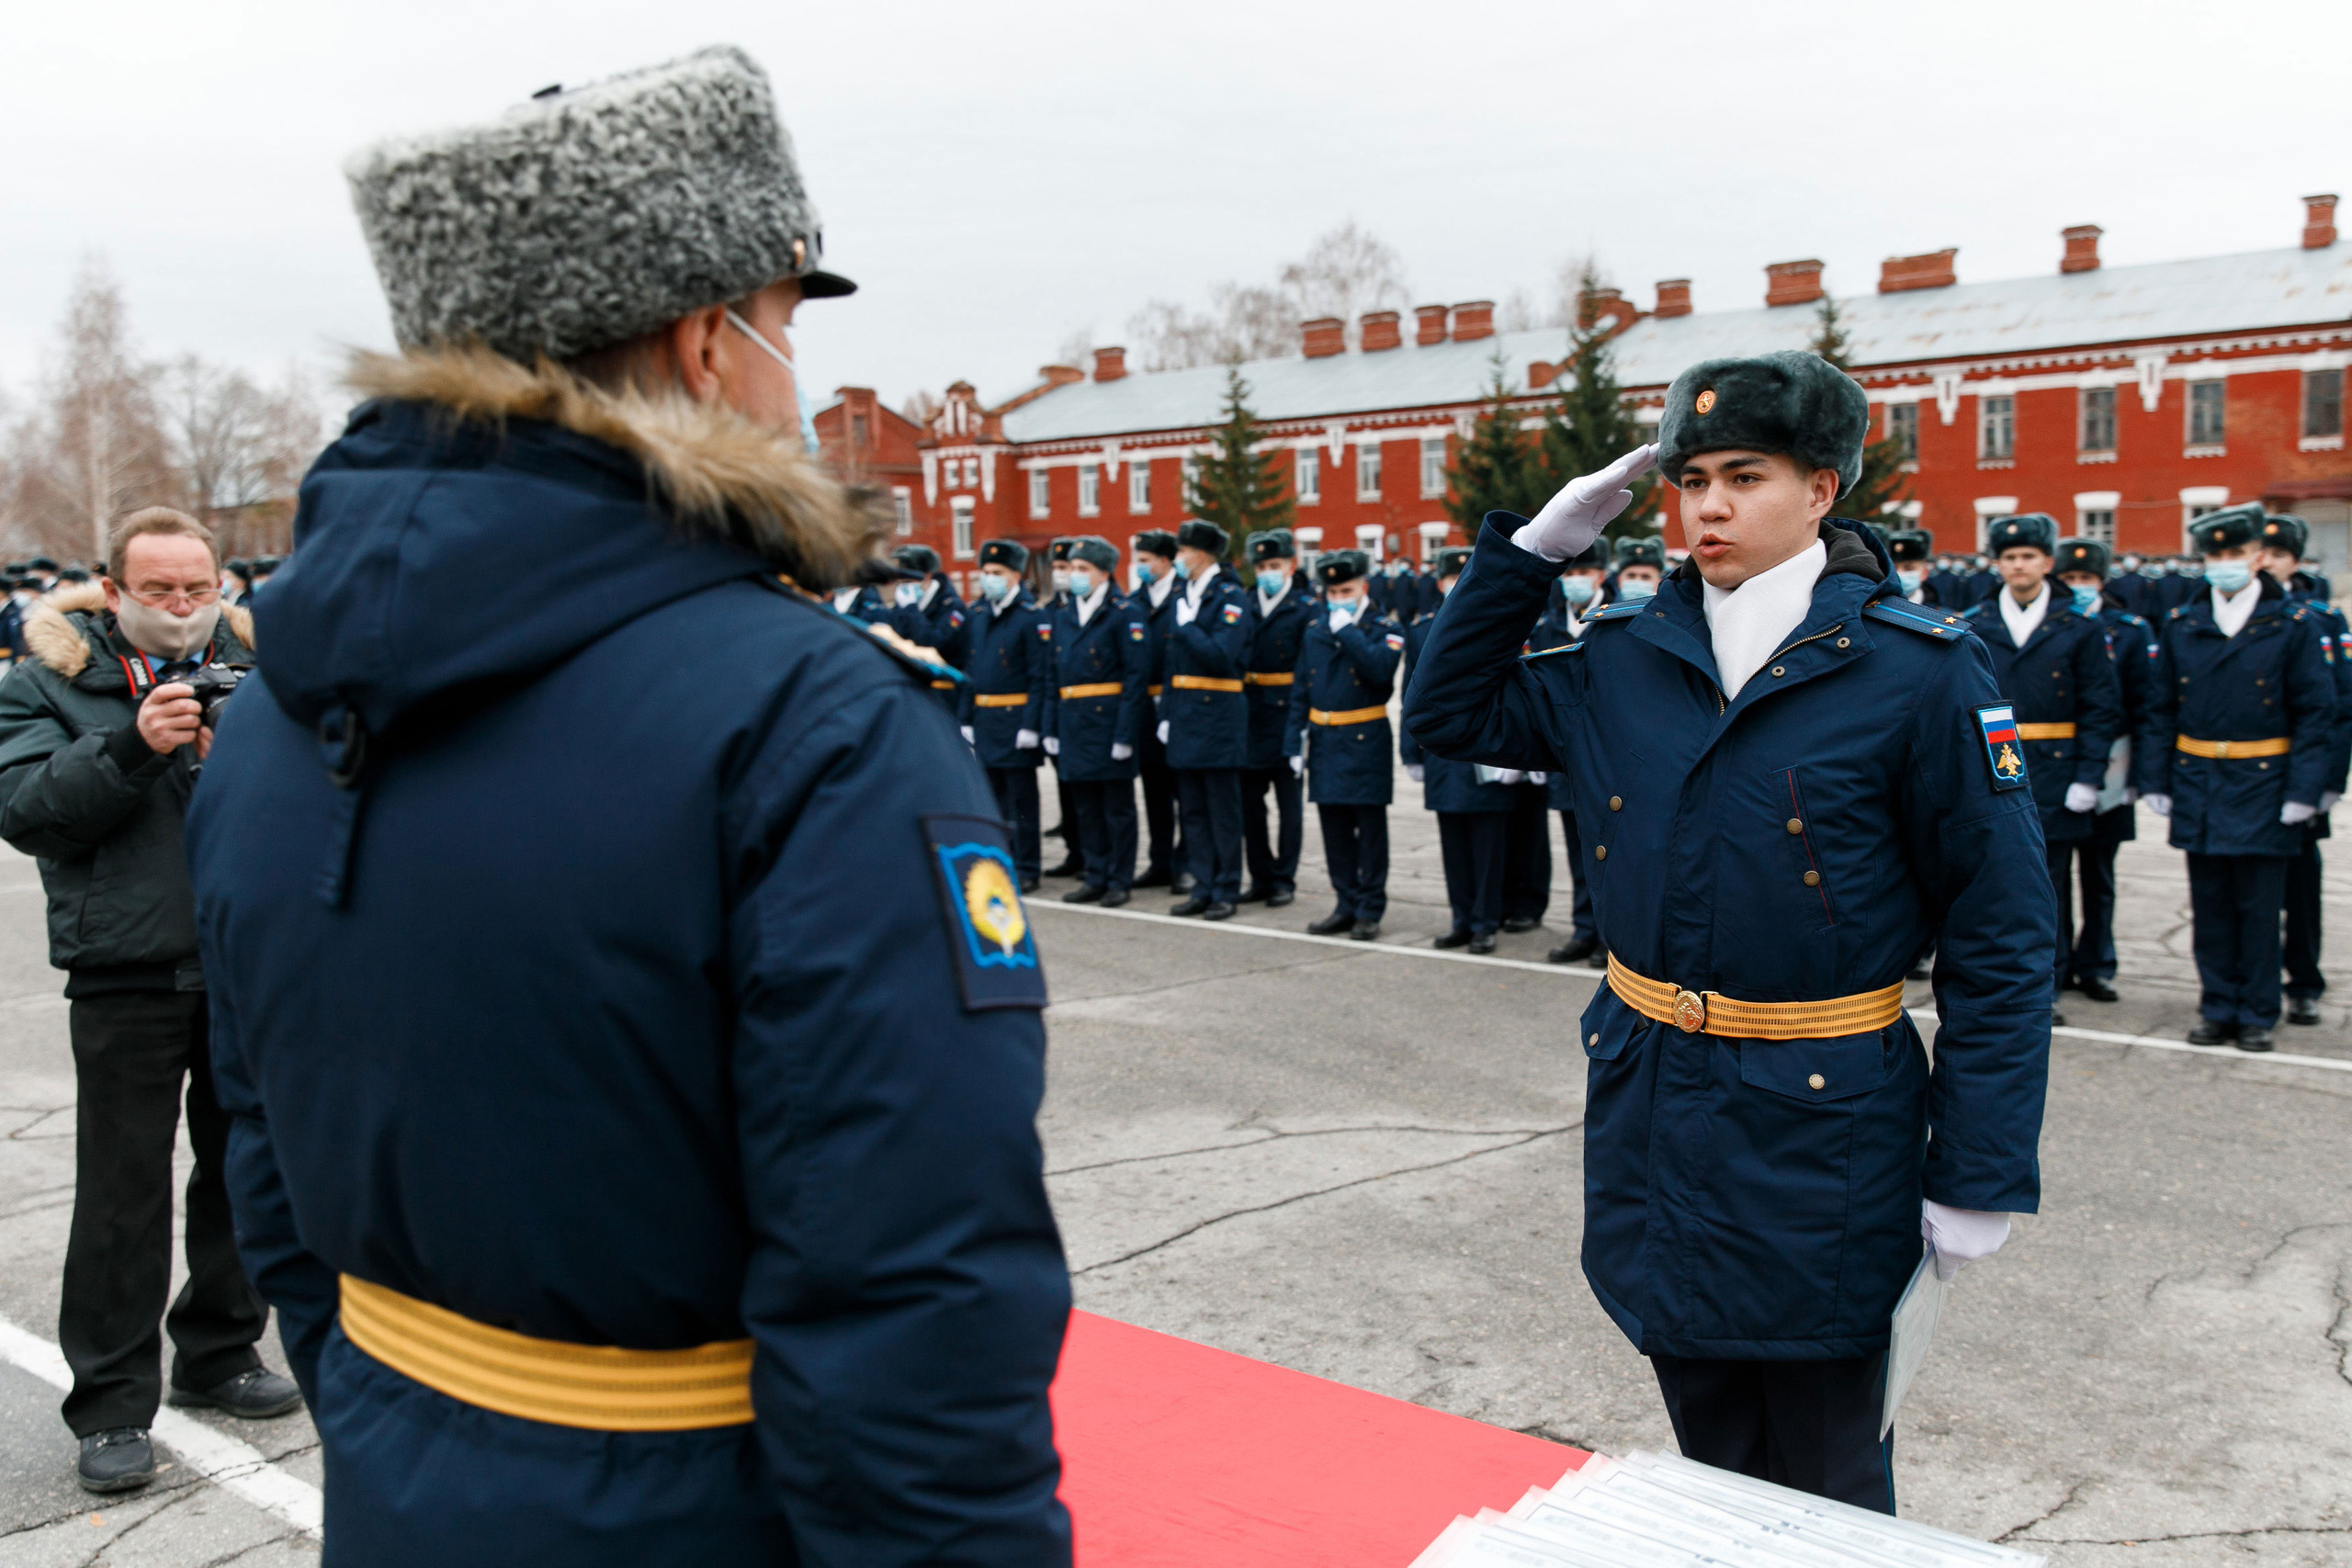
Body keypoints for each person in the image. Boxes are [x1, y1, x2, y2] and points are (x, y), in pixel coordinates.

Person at [185, 51, 1070, 1564]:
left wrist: (405, 1421)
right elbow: (913, 1283)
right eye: (786, 321)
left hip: (403, 1490)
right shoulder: (814, 717)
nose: (794, 372)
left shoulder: (273, 708)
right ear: (705, 343)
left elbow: (266, 1154)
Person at [1405, 349, 2050, 1513]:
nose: (1707, 505)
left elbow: (2000, 941)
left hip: (1826, 1129)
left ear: (1820, 488)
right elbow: (1447, 715)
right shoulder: (1625, 661)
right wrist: (1527, 555)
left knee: (1829, 1481)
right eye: (1687, 477)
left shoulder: (1918, 675)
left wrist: (1979, 1171)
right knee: (1706, 1465)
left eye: (1743, 475)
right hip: (1657, 1104)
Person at [0, 508, 298, 1495]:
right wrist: (131, 745)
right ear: (113, 588)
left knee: (242, 1177)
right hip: (126, 966)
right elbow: (26, 812)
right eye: (159, 590)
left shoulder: (267, 668)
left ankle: (220, 1353)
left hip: (249, 965)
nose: (180, 608)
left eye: (197, 589)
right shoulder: (46, 678)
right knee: (123, 1196)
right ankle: (113, 1404)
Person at [2138, 502, 2337, 1052]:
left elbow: (2316, 712)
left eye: (2236, 553)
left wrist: (2305, 791)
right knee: (2211, 905)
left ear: (2257, 557)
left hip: (2265, 781)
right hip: (2199, 777)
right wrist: (2156, 780)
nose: (2225, 563)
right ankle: (2217, 1005)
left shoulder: (2294, 624)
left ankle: (2257, 1011)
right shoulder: (2184, 623)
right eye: (2215, 554)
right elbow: (2160, 708)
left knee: (2258, 906)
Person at [1961, 513, 2121, 1026]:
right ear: (1997, 564)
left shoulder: (2079, 627)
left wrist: (2089, 776)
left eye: (2028, 557)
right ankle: (2008, 978)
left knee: (2050, 884)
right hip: (1996, 764)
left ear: (2047, 563)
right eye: (2009, 558)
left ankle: (2048, 983)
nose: (2018, 566)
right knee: (1998, 880)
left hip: (2057, 769)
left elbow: (2100, 708)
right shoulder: (1976, 622)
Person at [1402, 546, 1523, 954]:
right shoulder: (1422, 630)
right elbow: (1411, 695)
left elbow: (1516, 691)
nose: (1455, 587)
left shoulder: (1500, 623)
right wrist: (1409, 751)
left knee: (1488, 845)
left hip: (1487, 749)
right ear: (1438, 583)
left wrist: (1516, 754)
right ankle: (1461, 919)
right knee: (1453, 842)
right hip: (1441, 753)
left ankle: (1486, 921)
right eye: (1450, 580)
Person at [2256, 513, 2351, 1026]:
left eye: (2277, 555)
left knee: (2301, 886)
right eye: (2262, 553)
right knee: (2253, 891)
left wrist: (2330, 781)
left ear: (2295, 560)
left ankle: (2304, 981)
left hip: (2303, 771)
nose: (2267, 562)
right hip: (2253, 775)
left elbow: (2338, 706)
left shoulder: (2320, 618)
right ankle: (2259, 980)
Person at [2053, 537, 2154, 1005]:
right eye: (2070, 579)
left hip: (2112, 763)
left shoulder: (2130, 630)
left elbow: (2145, 703)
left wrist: (2137, 776)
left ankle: (2096, 963)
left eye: (2086, 579)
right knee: (2053, 876)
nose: (2077, 587)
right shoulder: (2055, 623)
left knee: (2099, 874)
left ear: (2102, 581)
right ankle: (2057, 965)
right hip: (2055, 761)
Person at [1286, 549, 1404, 941]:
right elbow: (1302, 689)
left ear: (1363, 588)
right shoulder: (1315, 627)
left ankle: (1370, 908)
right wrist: (1293, 742)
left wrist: (1347, 631)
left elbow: (1381, 673)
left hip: (1364, 740)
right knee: (1334, 831)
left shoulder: (1383, 627)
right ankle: (1344, 903)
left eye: (1347, 590)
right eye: (1333, 591)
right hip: (1324, 740)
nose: (1339, 597)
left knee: (1369, 833)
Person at [1159, 520, 1256, 918]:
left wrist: (1187, 627)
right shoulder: (1183, 593)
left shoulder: (1231, 597)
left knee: (1222, 811)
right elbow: (1171, 664)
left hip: (1218, 716)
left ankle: (1226, 889)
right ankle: (1202, 885)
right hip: (1184, 714)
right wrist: (1165, 713)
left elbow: (1220, 655)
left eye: (1182, 552)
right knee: (1193, 811)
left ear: (1201, 554)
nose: (1179, 559)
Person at [1047, 536, 1149, 906]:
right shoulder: (1064, 614)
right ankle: (1095, 873)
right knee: (1086, 806)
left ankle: (1119, 879)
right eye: (1072, 568)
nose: (1074, 575)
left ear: (1104, 572)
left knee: (1116, 808)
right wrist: (1051, 728)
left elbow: (1135, 678)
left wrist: (1125, 733)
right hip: (1074, 721)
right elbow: (1052, 677)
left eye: (1082, 569)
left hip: (1109, 724)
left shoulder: (1124, 613)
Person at [1531, 539, 1608, 966]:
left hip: (1608, 755)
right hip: (1564, 757)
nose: (1574, 581)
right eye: (1569, 574)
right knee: (1576, 850)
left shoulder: (1618, 619)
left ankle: (1609, 937)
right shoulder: (1548, 625)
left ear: (1600, 575)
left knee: (1610, 852)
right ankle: (1583, 929)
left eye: (1583, 573)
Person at [964, 538, 1055, 890]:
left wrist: (1032, 724)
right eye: (985, 572)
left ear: (1016, 575)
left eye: (997, 573)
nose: (989, 579)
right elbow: (971, 672)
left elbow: (1039, 675)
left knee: (1021, 803)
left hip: (1016, 721)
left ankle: (1027, 866)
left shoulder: (1031, 617)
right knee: (993, 800)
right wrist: (965, 718)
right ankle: (1001, 861)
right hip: (986, 721)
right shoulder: (980, 615)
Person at [1239, 528, 1312, 907]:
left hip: (1286, 713)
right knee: (1250, 805)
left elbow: (1307, 671)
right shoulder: (1245, 603)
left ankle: (1284, 878)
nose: (1267, 571)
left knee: (1289, 807)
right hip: (1250, 716)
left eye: (1275, 565)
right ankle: (1260, 876)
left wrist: (1302, 723)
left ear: (1290, 566)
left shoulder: (1304, 607)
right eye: (1261, 565)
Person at [1129, 529, 1189, 894]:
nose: (1139, 567)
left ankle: (1187, 863)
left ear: (1165, 562)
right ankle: (1160, 861)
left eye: (1144, 560)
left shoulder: (1184, 596)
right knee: (1154, 789)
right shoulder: (1135, 601)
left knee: (1184, 790)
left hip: (1178, 703)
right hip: (1144, 707)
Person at [1042, 538, 1083, 877]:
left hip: (1085, 710)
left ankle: (1089, 854)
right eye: (1056, 568)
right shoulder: (1050, 611)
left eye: (1066, 567)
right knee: (1065, 785)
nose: (1061, 574)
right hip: (1059, 706)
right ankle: (1074, 851)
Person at [886, 542, 970, 710]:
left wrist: (911, 609)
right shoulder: (901, 607)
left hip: (945, 698)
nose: (904, 587)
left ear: (928, 576)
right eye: (899, 582)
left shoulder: (952, 607)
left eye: (909, 581)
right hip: (910, 696)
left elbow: (932, 643)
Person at [1886, 529, 1944, 605]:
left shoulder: (1940, 614)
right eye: (1894, 568)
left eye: (1909, 568)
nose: (1899, 573)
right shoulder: (1873, 609)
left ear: (1924, 573)